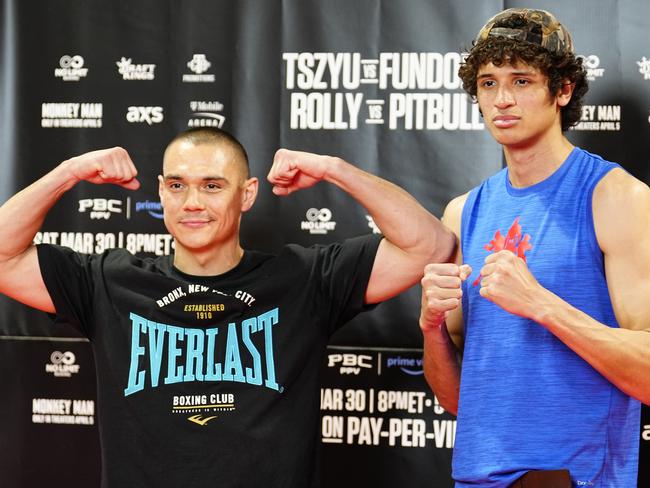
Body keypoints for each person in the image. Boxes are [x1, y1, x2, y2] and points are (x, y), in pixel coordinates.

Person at [0, 127, 454, 487]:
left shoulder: (305, 280)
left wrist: (335, 169)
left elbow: (429, 244)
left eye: (212, 186)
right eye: (177, 185)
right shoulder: (108, 282)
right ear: (160, 191)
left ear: (248, 193)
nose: (192, 203)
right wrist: (68, 171)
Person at [419, 8, 650, 488]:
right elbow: (458, 400)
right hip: (477, 476)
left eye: (522, 81)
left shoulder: (616, 198)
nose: (502, 99)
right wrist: (432, 330)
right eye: (488, 83)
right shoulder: (464, 213)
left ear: (562, 90)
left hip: (576, 477)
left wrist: (540, 304)